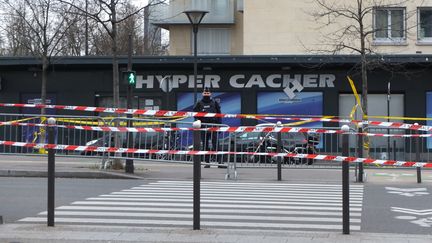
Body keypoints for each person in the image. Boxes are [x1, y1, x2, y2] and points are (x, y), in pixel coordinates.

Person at [193, 87, 222, 168]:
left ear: (210, 94)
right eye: (205, 93)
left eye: (207, 93)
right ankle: (207, 162)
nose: (206, 94)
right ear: (202, 94)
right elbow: (195, 114)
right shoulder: (199, 103)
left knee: (216, 145)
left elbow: (219, 115)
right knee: (205, 145)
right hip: (203, 126)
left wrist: (219, 125)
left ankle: (220, 162)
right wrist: (197, 123)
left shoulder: (214, 103)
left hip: (213, 126)